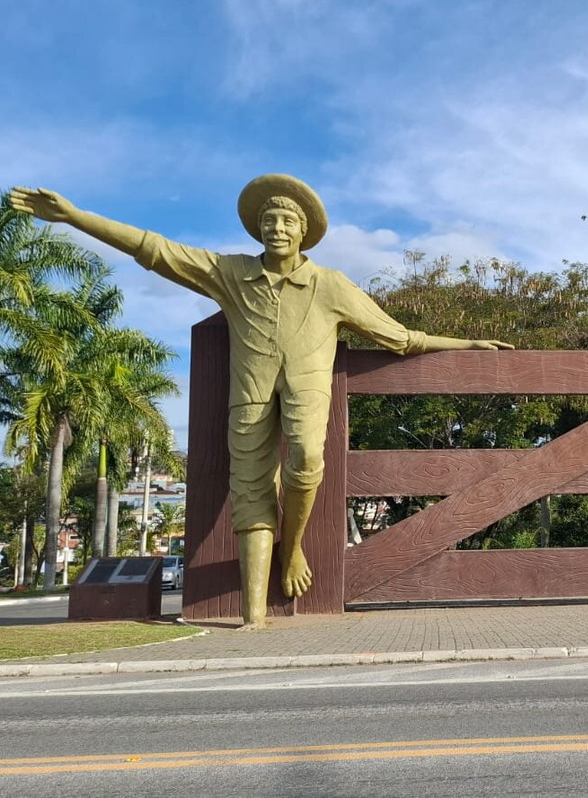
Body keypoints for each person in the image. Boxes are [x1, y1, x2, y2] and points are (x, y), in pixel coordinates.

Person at [10, 175, 512, 628]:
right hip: (247, 399)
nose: (276, 227)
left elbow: (398, 337)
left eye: (287, 220)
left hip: (305, 399)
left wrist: (466, 345)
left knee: (307, 460)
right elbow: (156, 250)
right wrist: (74, 216)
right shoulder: (231, 274)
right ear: (257, 228)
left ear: (303, 231)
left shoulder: (329, 285)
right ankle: (253, 618)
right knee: (248, 489)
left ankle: (290, 550)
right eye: (268, 219)